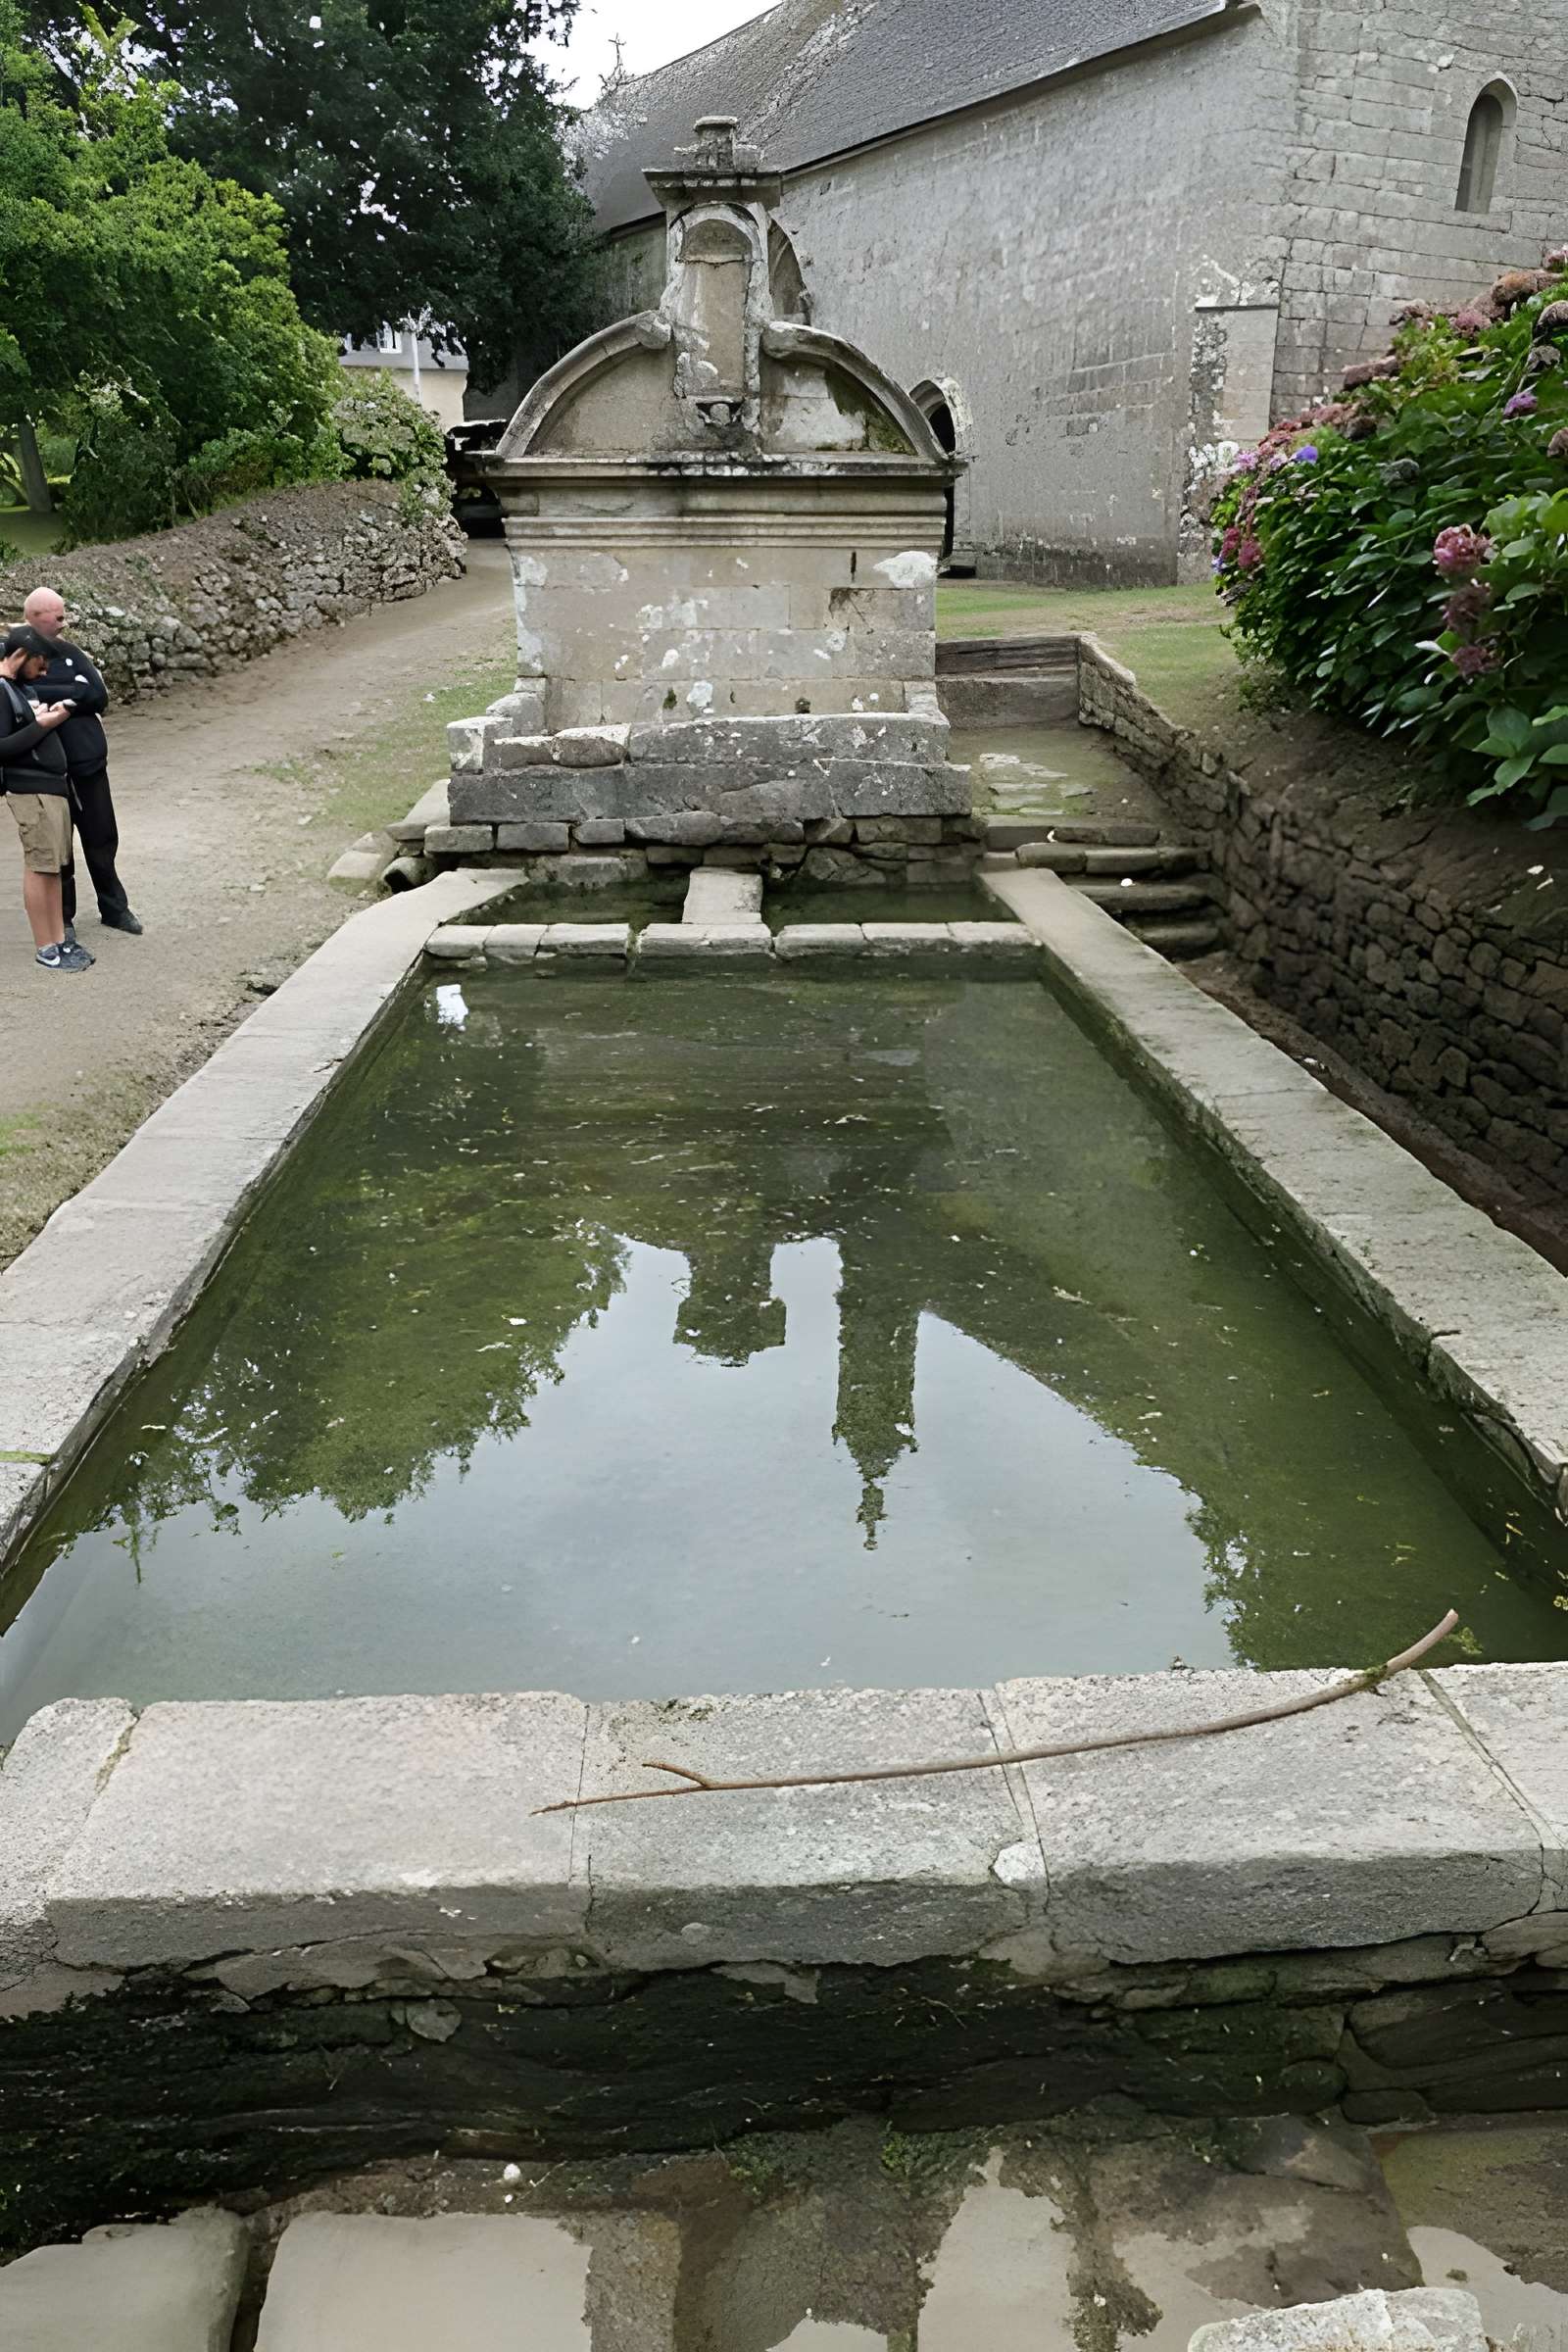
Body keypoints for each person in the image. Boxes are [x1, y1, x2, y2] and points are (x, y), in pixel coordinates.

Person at [23, 586, 141, 938]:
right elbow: (21, 694)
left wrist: (62, 696)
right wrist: (72, 692)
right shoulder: (12, 654)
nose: (64, 623)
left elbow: (97, 695)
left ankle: (114, 908)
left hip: (90, 767)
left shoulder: (72, 652)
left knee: (102, 838)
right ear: (35, 617)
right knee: (58, 851)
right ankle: (64, 918)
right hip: (47, 774)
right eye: (57, 616)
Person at [0, 624, 93, 972]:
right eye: (39, 663)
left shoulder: (17, 688)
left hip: (51, 787)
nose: (43, 672)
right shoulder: (1, 690)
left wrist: (40, 718)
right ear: (21, 655)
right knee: (39, 868)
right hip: (30, 790)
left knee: (53, 867)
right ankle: (46, 946)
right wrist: (45, 724)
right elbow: (3, 747)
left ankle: (60, 940)